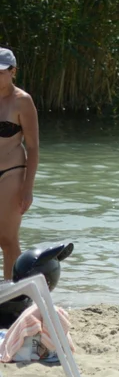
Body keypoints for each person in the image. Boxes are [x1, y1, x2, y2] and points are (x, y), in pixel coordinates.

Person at [0, 47, 38, 282]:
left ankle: (12, 295)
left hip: (10, 172)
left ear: (13, 71)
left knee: (6, 238)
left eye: (1, 72)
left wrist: (28, 188)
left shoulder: (22, 101)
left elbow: (33, 147)